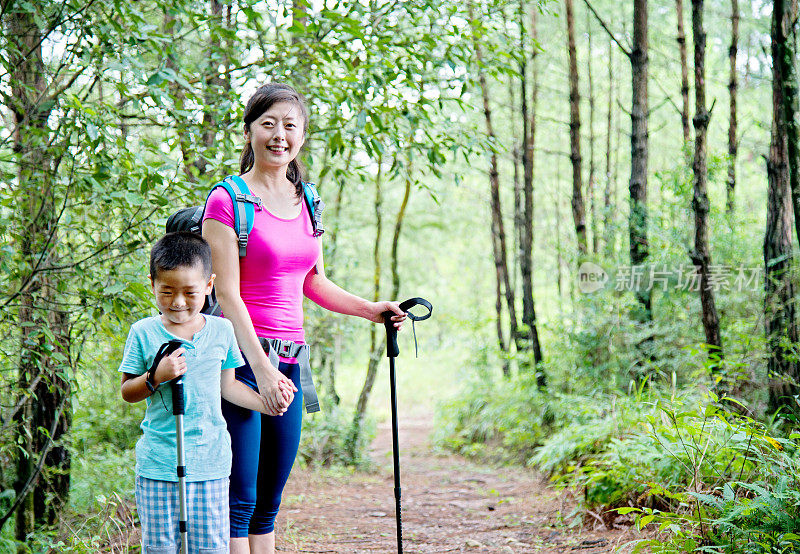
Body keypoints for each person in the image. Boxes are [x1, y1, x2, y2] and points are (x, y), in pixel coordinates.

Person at [202, 82, 406, 554]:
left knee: (269, 502)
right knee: (240, 498)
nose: (279, 135)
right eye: (268, 124)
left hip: (292, 361)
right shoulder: (227, 201)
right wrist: (263, 370)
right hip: (241, 363)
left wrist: (372, 310)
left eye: (289, 126)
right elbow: (228, 296)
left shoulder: (307, 198)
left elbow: (311, 281)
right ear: (250, 130)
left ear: (303, 135)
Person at [119, 232, 272, 553]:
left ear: (209, 285)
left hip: (210, 463)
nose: (178, 302)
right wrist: (155, 376)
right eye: (167, 291)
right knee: (161, 547)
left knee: (210, 546)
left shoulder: (222, 330)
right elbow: (127, 391)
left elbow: (227, 386)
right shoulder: (143, 333)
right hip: (159, 465)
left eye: (190, 292)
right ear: (152, 284)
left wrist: (266, 404)